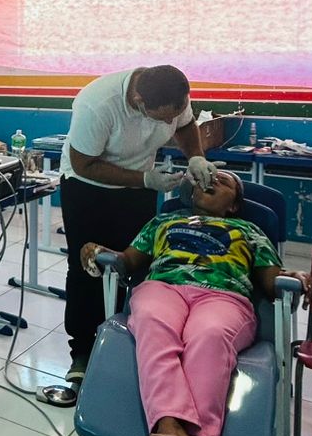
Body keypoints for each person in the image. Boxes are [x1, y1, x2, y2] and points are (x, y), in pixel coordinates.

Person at [80, 170, 312, 436]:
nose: (212, 181)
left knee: (210, 335)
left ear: (234, 205)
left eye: (224, 181)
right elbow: (127, 260)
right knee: (153, 323)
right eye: (208, 177)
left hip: (224, 296)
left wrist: (296, 277)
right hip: (163, 288)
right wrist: (96, 250)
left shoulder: (249, 230)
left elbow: (272, 281)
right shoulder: (162, 222)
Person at [53, 65, 213, 405]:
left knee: (136, 266)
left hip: (138, 188)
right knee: (88, 270)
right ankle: (82, 352)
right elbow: (84, 164)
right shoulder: (98, 104)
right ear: (138, 100)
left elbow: (186, 126)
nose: (166, 124)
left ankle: (125, 341)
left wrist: (196, 157)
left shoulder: (172, 93)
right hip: (88, 188)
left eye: (170, 117)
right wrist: (144, 179)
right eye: (160, 118)